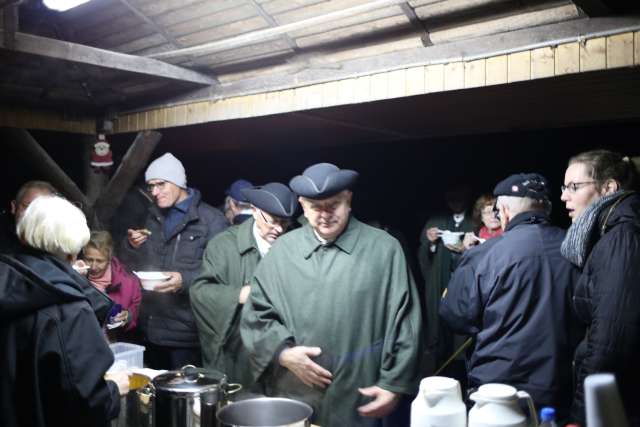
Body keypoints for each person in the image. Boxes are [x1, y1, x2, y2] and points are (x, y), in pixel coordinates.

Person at [241, 163, 422, 427]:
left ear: (348, 200)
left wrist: (393, 383)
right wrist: (282, 353)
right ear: (302, 205)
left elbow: (406, 321)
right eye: (315, 207)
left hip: (360, 393)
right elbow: (256, 312)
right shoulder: (284, 251)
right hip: (296, 393)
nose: (324, 215)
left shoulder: (384, 249)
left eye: (333, 205)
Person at [440, 173, 581, 419]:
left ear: (503, 210)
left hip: (498, 391)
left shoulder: (485, 255)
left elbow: (456, 316)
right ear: (547, 208)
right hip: (562, 387)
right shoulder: (575, 249)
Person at [0, 195, 129, 427]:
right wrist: (113, 389)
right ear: (73, 251)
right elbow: (85, 403)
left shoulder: (7, 283)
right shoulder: (70, 309)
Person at [121, 152, 228, 369]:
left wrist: (185, 280)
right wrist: (131, 246)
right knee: (152, 395)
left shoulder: (211, 221)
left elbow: (223, 275)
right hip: (150, 326)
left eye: (161, 184)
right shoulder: (151, 216)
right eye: (151, 186)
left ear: (178, 182)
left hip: (188, 333)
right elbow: (136, 266)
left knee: (185, 398)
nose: (154, 192)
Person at [560, 149, 640, 426]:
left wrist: (581, 414)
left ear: (608, 188)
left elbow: (611, 341)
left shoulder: (621, 239)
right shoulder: (610, 232)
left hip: (615, 404)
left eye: (574, 187)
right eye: (564, 187)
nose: (563, 196)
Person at [190, 182, 298, 387]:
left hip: (281, 349)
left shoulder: (294, 242)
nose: (279, 229)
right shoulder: (223, 245)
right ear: (255, 211)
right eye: (273, 221)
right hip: (237, 352)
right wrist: (239, 294)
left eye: (284, 223)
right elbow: (200, 293)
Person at [417, 184, 473, 377]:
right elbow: (423, 256)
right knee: (437, 327)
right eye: (451, 198)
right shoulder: (437, 221)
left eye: (459, 198)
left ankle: (461, 370)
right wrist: (431, 243)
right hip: (439, 283)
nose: (455, 202)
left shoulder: (474, 221)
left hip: (463, 284)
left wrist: (465, 249)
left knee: (460, 330)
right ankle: (437, 369)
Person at [82, 230, 142, 342]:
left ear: (109, 259)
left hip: (113, 345)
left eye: (100, 261)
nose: (93, 266)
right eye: (89, 260)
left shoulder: (128, 283)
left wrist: (127, 317)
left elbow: (135, 312)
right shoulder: (76, 278)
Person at [0, 180, 56, 254]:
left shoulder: (57, 243)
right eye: (27, 207)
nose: (33, 215)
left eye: (41, 210)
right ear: (14, 207)